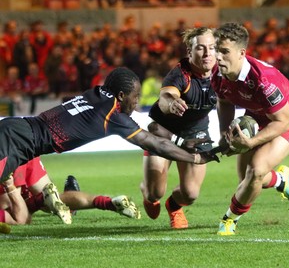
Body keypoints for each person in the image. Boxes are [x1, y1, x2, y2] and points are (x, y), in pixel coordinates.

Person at [0, 67, 219, 185]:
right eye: (136, 97)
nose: (136, 103)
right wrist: (196, 158)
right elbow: (154, 144)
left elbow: (151, 133)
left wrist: (181, 141)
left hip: (20, 135)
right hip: (19, 141)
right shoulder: (113, 114)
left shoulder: (96, 93)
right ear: (122, 95)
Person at [211, 22, 289, 235]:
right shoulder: (218, 73)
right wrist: (223, 134)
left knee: (255, 171)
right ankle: (281, 180)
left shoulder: (263, 80)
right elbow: (224, 101)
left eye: (225, 52)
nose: (218, 57)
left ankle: (229, 220)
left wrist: (251, 142)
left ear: (241, 53)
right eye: (216, 50)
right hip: (258, 115)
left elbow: (282, 122)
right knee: (246, 180)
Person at [140, 27, 217, 229]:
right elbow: (165, 96)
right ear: (190, 52)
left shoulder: (223, 72)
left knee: (190, 194)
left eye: (212, 47)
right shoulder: (180, 74)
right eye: (201, 48)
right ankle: (148, 192)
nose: (208, 53)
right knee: (153, 192)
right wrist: (172, 103)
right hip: (163, 133)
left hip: (196, 134)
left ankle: (174, 206)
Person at [0, 157, 140, 228]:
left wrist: (10, 187)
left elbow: (21, 218)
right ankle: (108, 202)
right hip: (19, 144)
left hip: (6, 157)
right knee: (52, 198)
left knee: (19, 214)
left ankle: (40, 199)